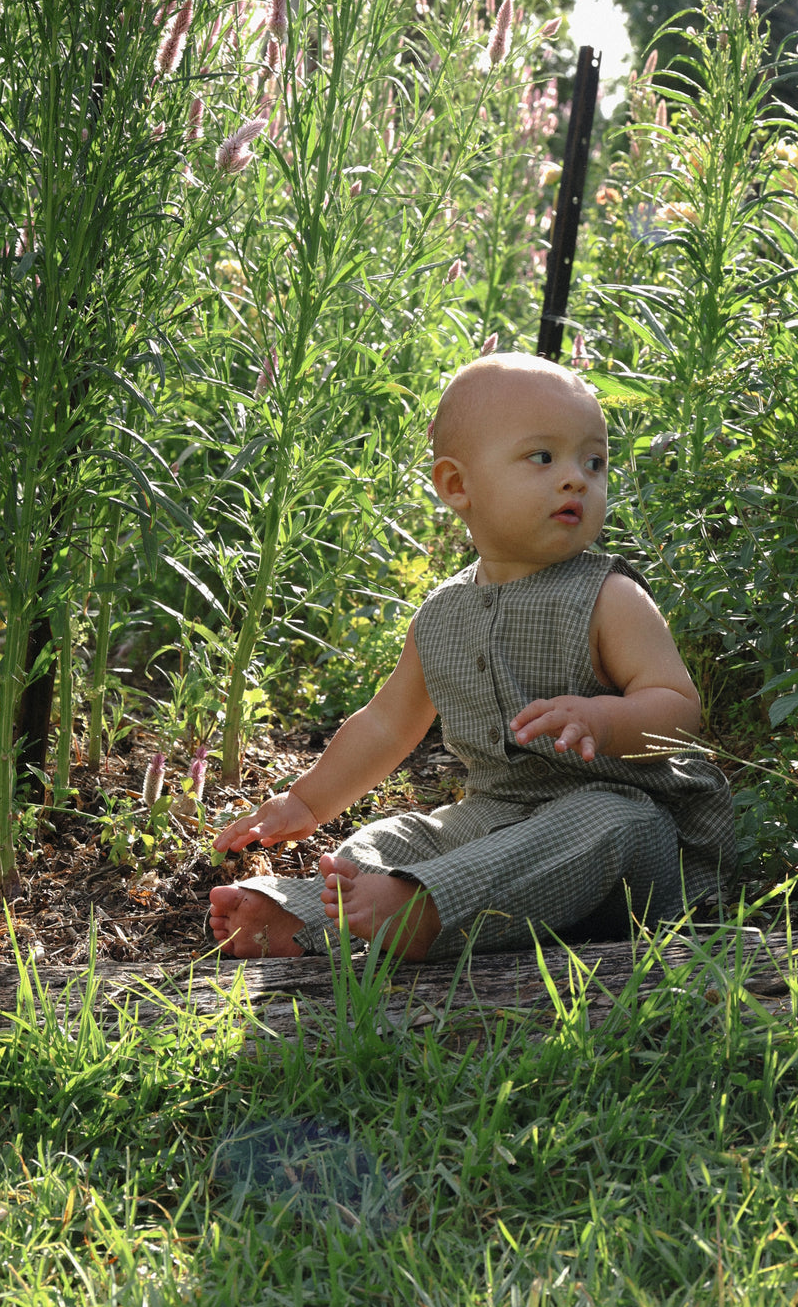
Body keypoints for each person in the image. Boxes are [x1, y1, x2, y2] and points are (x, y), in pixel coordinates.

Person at [208, 352, 734, 961]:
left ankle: (428, 911)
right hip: (493, 819)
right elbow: (385, 725)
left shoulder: (609, 596)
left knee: (606, 822)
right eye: (543, 457)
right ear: (458, 485)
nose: (576, 479)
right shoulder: (443, 613)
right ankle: (307, 920)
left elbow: (678, 707)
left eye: (594, 462)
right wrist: (305, 801)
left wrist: (605, 721)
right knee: (395, 836)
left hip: (629, 843)